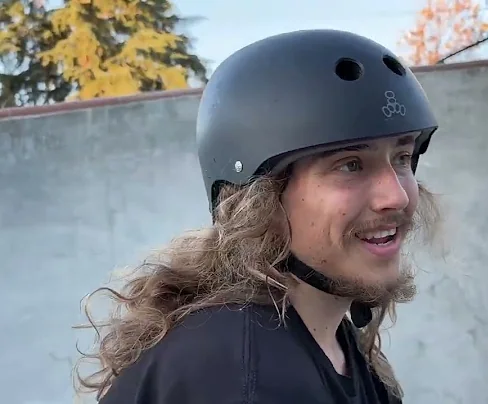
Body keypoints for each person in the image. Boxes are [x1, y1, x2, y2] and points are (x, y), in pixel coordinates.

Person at [75, 29, 442, 404]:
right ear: (258, 200)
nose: (396, 195)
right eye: (350, 165)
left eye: (402, 158)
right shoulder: (238, 376)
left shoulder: (326, 343)